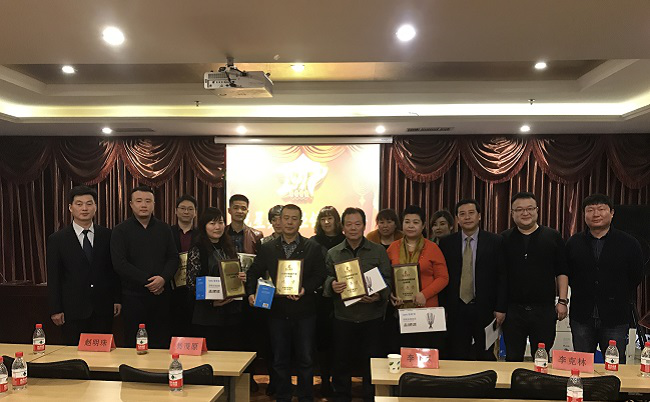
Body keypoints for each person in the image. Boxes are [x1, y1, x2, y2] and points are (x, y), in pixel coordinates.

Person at [246, 204, 327, 402]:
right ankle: (283, 396)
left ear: (301, 222)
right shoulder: (267, 248)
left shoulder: (312, 247)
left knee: (306, 359)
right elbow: (254, 272)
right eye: (286, 218)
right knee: (280, 358)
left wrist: (305, 289)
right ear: (279, 221)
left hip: (305, 311)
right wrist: (250, 293)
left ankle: (305, 396)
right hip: (277, 312)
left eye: (294, 219)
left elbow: (320, 274)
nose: (290, 222)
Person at [324, 207, 391, 402]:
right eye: (349, 224)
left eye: (357, 224)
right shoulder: (333, 253)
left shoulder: (378, 251)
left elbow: (388, 279)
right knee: (341, 362)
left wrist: (378, 296)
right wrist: (332, 284)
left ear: (364, 226)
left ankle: (370, 397)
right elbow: (325, 278)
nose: (353, 228)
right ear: (342, 227)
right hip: (343, 317)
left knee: (371, 362)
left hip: (372, 317)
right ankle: (341, 396)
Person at [567, 193, 644, 362]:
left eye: (601, 209)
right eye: (590, 210)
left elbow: (636, 275)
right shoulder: (574, 243)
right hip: (582, 315)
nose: (596, 214)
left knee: (614, 364)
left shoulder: (629, 243)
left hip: (615, 316)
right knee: (582, 364)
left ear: (612, 213)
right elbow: (568, 274)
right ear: (584, 214)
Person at [47, 185, 121, 346]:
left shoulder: (108, 235)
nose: (84, 208)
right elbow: (54, 277)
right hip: (72, 310)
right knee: (74, 354)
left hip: (103, 308)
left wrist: (117, 299)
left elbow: (113, 271)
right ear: (70, 208)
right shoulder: (57, 239)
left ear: (95, 207)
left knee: (103, 355)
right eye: (79, 204)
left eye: (89, 203)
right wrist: (56, 309)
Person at [501, 191, 569, 361]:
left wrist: (562, 301)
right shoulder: (504, 238)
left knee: (541, 358)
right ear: (512, 213)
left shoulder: (552, 236)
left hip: (544, 310)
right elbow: (499, 276)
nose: (525, 213)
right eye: (519, 210)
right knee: (512, 357)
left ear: (537, 210)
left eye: (530, 208)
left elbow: (561, 271)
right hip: (513, 310)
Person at [111, 185, 179, 348]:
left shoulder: (164, 229)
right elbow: (120, 264)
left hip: (161, 295)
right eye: (139, 201)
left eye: (148, 201)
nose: (143, 205)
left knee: (161, 342)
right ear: (131, 204)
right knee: (134, 342)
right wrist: (149, 282)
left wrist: (163, 279)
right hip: (133, 297)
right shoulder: (120, 230)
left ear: (154, 204)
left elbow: (173, 258)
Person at [438, 199, 506, 360]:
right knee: (457, 354)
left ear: (479, 216)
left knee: (485, 354)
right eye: (462, 214)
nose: (467, 217)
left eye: (471, 213)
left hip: (485, 307)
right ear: (457, 219)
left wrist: (501, 307)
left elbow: (502, 276)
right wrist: (443, 308)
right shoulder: (447, 243)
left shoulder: (495, 241)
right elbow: (443, 277)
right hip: (456, 308)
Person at [387, 205, 449, 349]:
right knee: (404, 353)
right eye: (407, 222)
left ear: (423, 225)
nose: (410, 226)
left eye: (415, 222)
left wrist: (424, 294)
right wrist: (391, 294)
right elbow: (387, 276)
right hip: (401, 311)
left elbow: (443, 278)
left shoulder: (432, 248)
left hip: (427, 311)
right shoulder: (393, 248)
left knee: (425, 354)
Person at [186, 207, 246, 351]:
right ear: (204, 226)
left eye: (220, 222)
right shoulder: (197, 248)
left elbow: (235, 273)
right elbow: (191, 283)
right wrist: (212, 302)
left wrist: (241, 277)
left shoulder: (229, 246)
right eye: (212, 223)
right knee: (211, 355)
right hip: (207, 314)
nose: (217, 227)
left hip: (231, 311)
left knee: (231, 353)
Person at [310, 206, 345, 397]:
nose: (326, 222)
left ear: (337, 220)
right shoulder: (313, 242)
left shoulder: (345, 240)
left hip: (343, 298)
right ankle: (324, 381)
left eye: (330, 218)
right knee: (322, 343)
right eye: (323, 218)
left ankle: (338, 383)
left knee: (339, 343)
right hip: (320, 300)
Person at [170, 194, 197, 337]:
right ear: (176, 211)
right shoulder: (167, 232)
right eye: (183, 208)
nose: (186, 212)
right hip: (171, 288)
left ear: (195, 212)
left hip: (194, 290)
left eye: (190, 209)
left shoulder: (201, 234)